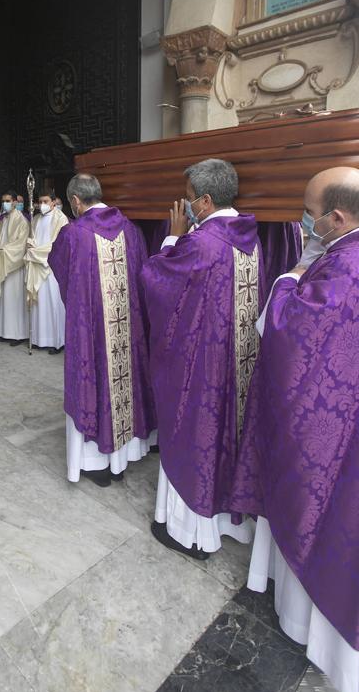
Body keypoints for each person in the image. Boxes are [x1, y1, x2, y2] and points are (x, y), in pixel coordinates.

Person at [231, 167, 359, 692]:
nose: (304, 222)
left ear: (335, 216)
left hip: (332, 431)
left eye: (309, 212)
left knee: (322, 509)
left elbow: (288, 334)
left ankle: (305, 619)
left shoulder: (343, 268)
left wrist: (286, 280)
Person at [141, 159, 263, 559]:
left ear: (206, 201)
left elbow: (157, 282)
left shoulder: (201, 243)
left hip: (201, 368)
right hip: (237, 361)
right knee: (230, 435)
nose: (186, 206)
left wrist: (172, 238)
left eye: (189, 199)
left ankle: (189, 532)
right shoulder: (250, 237)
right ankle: (230, 523)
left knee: (196, 435)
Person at [48, 173, 156, 486]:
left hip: (91, 331)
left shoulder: (73, 234)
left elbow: (60, 269)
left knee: (93, 381)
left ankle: (95, 462)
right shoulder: (131, 230)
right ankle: (122, 458)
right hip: (128, 328)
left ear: (76, 201)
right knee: (123, 379)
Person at [24, 191, 68, 353]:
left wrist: (35, 253)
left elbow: (57, 245)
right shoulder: (35, 219)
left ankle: (57, 341)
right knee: (38, 303)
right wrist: (29, 245)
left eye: (45, 201)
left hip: (52, 267)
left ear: (53, 202)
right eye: (40, 201)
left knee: (53, 303)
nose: (42, 204)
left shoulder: (61, 219)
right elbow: (31, 239)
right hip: (36, 267)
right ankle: (38, 339)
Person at [0, 189, 29, 345]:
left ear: (15, 202)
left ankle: (17, 334)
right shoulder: (2, 220)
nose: (5, 203)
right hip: (1, 263)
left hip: (14, 266)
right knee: (2, 299)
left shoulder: (22, 220)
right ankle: (1, 331)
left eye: (8, 200)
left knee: (15, 300)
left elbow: (21, 245)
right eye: (3, 201)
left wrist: (2, 250)